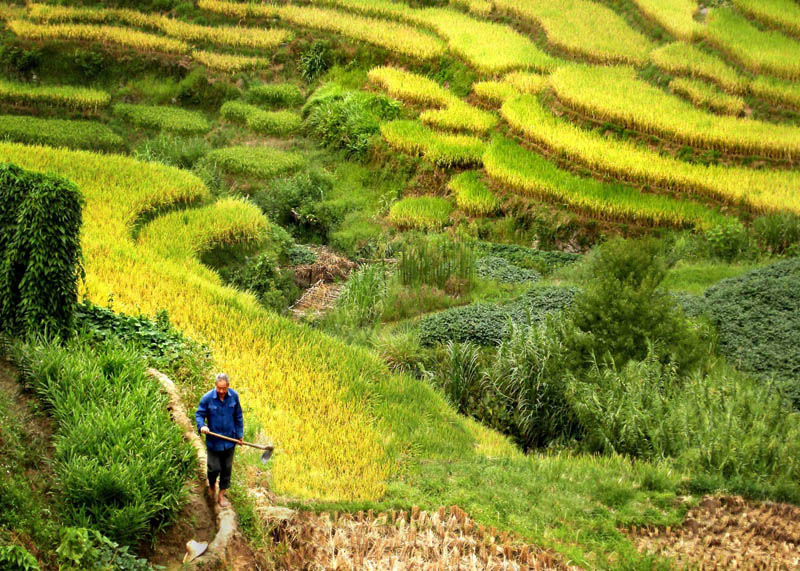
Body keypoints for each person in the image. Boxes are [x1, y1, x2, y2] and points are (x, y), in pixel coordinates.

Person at [195, 373, 243, 507]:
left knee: (226, 469)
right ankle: (211, 485)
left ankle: (221, 495)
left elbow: (238, 416)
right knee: (213, 468)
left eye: (224, 388)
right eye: (219, 388)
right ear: (215, 386)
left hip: (229, 440)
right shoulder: (207, 398)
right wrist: (202, 426)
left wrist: (239, 435)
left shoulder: (234, 396)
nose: (221, 391)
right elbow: (199, 414)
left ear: (228, 386)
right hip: (214, 441)